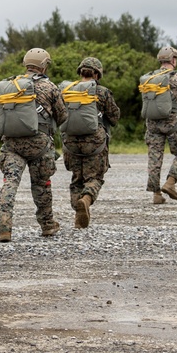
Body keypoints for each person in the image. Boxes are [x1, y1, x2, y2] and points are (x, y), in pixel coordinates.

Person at [0, 48, 68, 240]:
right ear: (43, 65)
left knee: (10, 183)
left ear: (26, 64)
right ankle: (47, 225)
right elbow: (62, 116)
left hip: (12, 144)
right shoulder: (50, 87)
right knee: (42, 185)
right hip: (39, 144)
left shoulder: (11, 85)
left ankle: (4, 226)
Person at [61, 57, 120, 228]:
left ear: (80, 72)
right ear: (97, 74)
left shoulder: (67, 90)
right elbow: (114, 117)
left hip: (70, 142)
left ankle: (78, 213)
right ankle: (86, 199)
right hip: (95, 143)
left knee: (76, 179)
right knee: (95, 178)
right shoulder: (102, 92)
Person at [143, 46, 177, 204]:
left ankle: (156, 194)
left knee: (154, 158)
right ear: (173, 60)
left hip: (152, 124)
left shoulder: (149, 78)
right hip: (173, 124)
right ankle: (170, 182)